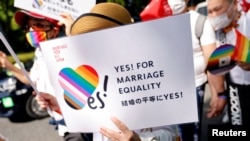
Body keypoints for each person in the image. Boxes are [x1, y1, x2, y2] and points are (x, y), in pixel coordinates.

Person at [35, 2, 181, 141]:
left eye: (102, 36)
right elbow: (86, 116)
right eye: (89, 39)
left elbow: (173, 135)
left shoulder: (148, 73)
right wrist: (59, 105)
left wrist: (141, 140)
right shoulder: (91, 76)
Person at [140, 0, 227, 141]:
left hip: (189, 89)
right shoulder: (155, 19)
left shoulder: (199, 22)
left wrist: (218, 92)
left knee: (179, 134)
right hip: (164, 89)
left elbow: (212, 61)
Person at [0, 10, 92, 141]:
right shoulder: (40, 52)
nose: (32, 30)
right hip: (62, 123)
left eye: (38, 25)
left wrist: (74, 36)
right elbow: (32, 80)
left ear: (55, 29)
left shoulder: (68, 50)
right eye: (28, 26)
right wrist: (8, 65)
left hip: (81, 127)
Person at [207, 0, 250, 127]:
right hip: (235, 90)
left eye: (218, 9)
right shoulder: (214, 30)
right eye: (210, 11)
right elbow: (213, 66)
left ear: (235, 4)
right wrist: (219, 95)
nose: (214, 15)